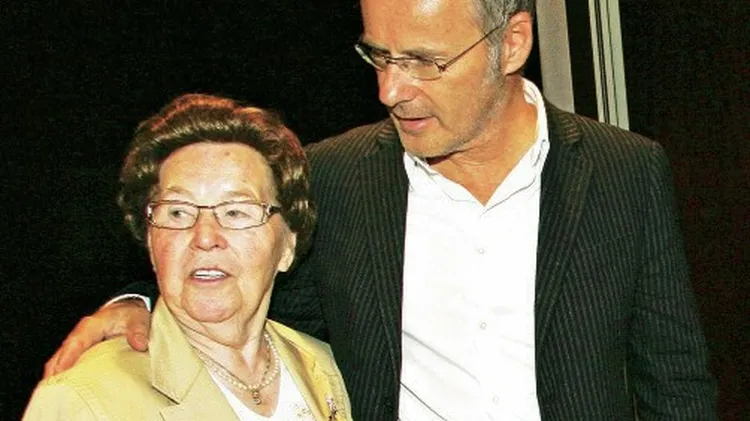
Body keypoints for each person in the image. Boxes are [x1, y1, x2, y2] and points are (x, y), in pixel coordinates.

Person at [43, 0, 718, 420]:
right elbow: (240, 274)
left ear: (511, 43)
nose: (391, 90)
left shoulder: (624, 172)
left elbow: (677, 384)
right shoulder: (336, 177)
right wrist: (139, 303)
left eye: (424, 61)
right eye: (379, 56)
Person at [25, 94, 351, 420]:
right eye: (178, 212)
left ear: (288, 246)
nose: (204, 237)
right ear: (151, 242)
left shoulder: (326, 370)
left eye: (236, 211)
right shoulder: (84, 400)